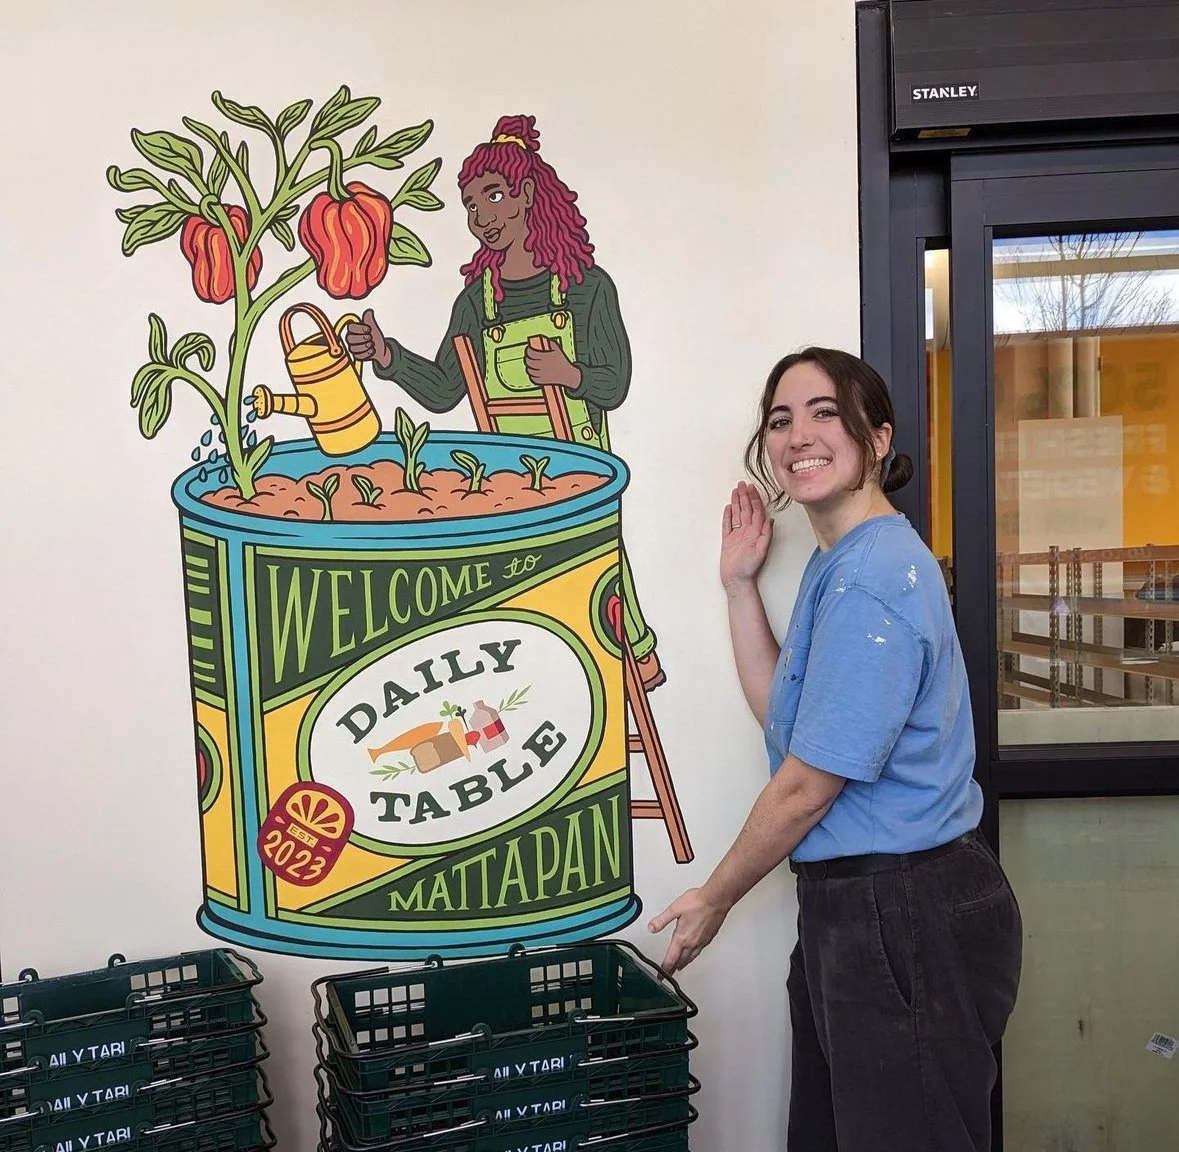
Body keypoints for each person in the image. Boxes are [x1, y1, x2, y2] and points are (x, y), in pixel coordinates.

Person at [649, 347, 1022, 1151]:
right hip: (862, 908)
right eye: (781, 418)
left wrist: (713, 897)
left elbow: (806, 786)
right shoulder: (840, 564)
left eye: (824, 412)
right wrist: (740, 585)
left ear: (876, 437)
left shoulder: (873, 579)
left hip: (903, 910)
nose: (798, 434)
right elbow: (785, 716)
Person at [345, 114, 663, 689]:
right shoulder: (476, 301)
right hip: (505, 483)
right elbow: (445, 390)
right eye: (470, 206)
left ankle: (630, 659)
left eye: (492, 196)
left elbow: (614, 383)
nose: (482, 217)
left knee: (594, 574)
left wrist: (569, 373)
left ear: (527, 196)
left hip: (578, 471)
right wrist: (386, 356)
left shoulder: (588, 288)